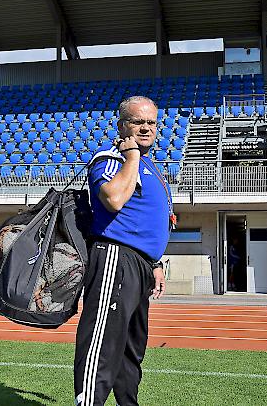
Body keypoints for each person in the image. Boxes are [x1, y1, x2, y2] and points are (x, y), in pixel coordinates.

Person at [74, 96, 174, 406]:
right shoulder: (112, 159)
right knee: (103, 344)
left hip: (141, 266)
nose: (146, 127)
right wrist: (130, 155)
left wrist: (154, 262)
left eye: (151, 122)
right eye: (137, 121)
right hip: (116, 258)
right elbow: (114, 199)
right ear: (122, 126)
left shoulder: (149, 166)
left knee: (132, 349)